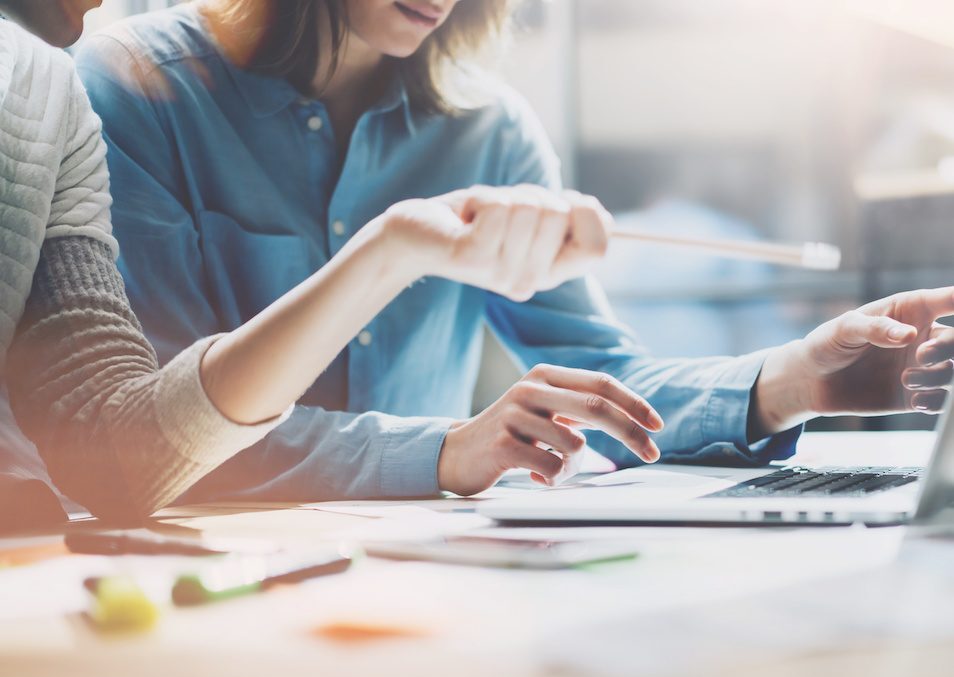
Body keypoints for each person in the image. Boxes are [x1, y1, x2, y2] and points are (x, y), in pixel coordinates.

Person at [76, 0, 954, 506]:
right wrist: (448, 449)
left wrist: (792, 381)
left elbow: (600, 377)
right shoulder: (131, 92)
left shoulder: (488, 131)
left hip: (411, 580)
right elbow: (156, 434)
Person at [0, 0, 649, 526]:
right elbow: (132, 450)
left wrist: (755, 391)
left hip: (421, 561)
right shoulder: (125, 84)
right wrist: (442, 448)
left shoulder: (46, 90)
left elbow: (117, 436)